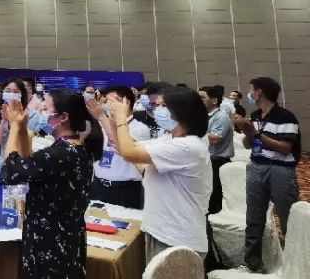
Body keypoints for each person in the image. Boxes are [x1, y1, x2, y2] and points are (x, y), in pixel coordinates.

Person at [97, 85, 211, 263]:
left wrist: (121, 118)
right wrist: (112, 118)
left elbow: (129, 151)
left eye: (163, 105)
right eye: (156, 105)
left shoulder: (189, 146)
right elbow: (128, 151)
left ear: (183, 110)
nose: (157, 110)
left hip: (177, 237)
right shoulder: (168, 139)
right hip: (160, 229)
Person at [0, 90, 100, 279]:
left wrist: (14, 127)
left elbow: (13, 171)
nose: (40, 113)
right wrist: (22, 129)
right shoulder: (78, 149)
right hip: (68, 239)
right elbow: (31, 168)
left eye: (45, 109)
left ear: (63, 117)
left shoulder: (56, 155)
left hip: (47, 243)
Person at [232, 76, 301, 272]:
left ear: (259, 93)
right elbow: (248, 145)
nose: (250, 94)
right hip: (256, 167)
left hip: (280, 169)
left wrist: (256, 133)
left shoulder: (285, 117)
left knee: (288, 218)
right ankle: (252, 262)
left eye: (251, 90)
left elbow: (285, 148)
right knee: (254, 218)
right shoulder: (255, 115)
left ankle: (296, 263)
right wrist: (246, 130)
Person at [89, 86, 147, 209]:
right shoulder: (101, 125)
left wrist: (102, 117)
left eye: (112, 101)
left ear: (126, 103)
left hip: (125, 189)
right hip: (99, 186)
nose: (108, 105)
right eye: (106, 101)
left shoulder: (140, 128)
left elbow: (122, 148)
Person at [199, 85, 234, 214]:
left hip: (217, 161)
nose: (199, 100)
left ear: (214, 100)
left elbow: (215, 139)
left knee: (213, 197)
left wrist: (195, 130)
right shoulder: (204, 115)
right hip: (206, 159)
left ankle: (211, 220)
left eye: (202, 97)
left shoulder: (221, 116)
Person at [0, 78, 32, 178]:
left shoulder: (28, 114)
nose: (11, 94)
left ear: (22, 94)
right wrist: (4, 119)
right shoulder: (0, 113)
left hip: (23, 162)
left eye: (16, 92)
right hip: (3, 163)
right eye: (8, 91)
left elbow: (28, 140)